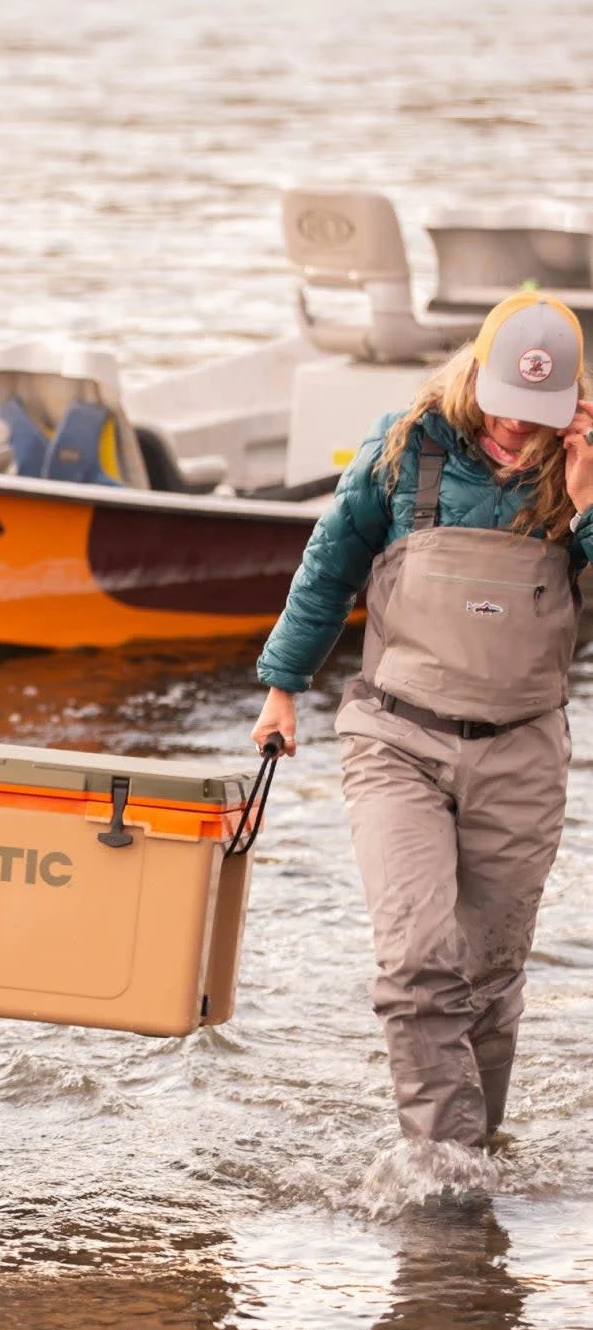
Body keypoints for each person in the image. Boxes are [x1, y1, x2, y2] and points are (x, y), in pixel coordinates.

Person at [251, 292, 593, 1149]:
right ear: (477, 371)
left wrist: (588, 508)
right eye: (510, 401)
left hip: (522, 751)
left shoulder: (581, 473)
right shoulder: (404, 450)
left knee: (488, 976)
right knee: (416, 964)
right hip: (395, 739)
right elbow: (330, 564)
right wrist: (283, 685)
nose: (521, 427)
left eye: (543, 412)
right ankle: (443, 1173)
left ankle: (473, 1156)